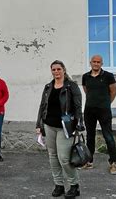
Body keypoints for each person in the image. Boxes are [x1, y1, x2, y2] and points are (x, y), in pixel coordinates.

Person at [36, 60, 84, 198]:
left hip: (65, 127)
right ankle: (59, 185)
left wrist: (79, 123)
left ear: (64, 69)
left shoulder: (71, 86)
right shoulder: (48, 87)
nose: (56, 72)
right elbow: (42, 107)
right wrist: (39, 125)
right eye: (53, 70)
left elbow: (78, 107)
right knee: (53, 156)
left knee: (64, 158)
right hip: (49, 125)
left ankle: (74, 185)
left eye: (58, 69)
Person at [82, 54, 116, 174]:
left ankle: (113, 163)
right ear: (90, 63)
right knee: (90, 136)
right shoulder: (85, 77)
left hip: (104, 111)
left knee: (108, 136)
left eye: (98, 62)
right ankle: (89, 161)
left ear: (101, 64)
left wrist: (105, 104)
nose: (96, 64)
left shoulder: (108, 76)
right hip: (89, 110)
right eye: (94, 61)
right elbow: (87, 91)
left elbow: (113, 92)